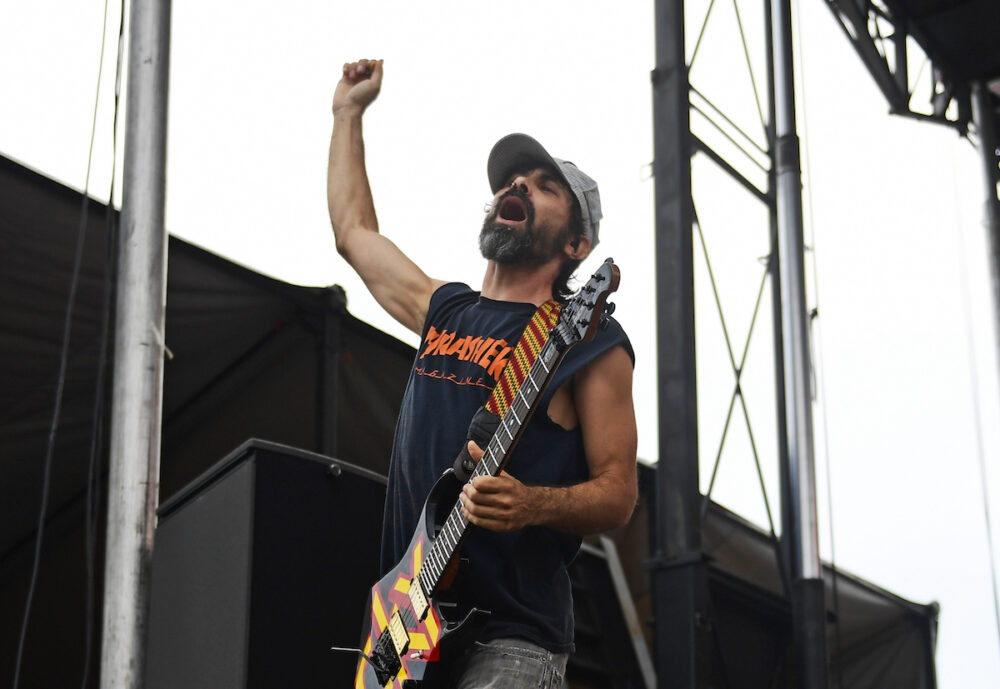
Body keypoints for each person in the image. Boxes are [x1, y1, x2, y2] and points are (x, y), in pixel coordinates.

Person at [327, 58, 638, 689]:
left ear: (576, 246)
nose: (518, 185)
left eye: (545, 187)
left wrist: (532, 503)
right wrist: (347, 114)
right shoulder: (445, 307)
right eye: (514, 179)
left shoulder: (585, 341)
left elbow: (619, 493)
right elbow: (354, 233)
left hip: (512, 638)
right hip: (407, 623)